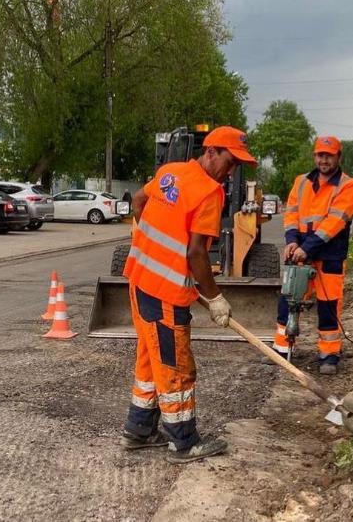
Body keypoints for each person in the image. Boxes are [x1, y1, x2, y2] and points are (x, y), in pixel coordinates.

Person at [121, 126, 257, 464]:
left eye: (238, 164)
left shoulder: (170, 172)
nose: (232, 171)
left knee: (150, 360)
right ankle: (183, 442)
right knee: (176, 366)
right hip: (165, 294)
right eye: (230, 161)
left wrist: (155, 247)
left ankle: (138, 431)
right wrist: (214, 298)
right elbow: (198, 253)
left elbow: (138, 201)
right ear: (210, 151)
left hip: (139, 281)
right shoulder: (210, 192)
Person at [272, 136, 353, 375]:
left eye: (329, 155)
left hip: (329, 255)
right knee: (288, 300)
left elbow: (334, 223)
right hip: (300, 252)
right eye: (320, 155)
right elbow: (291, 213)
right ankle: (281, 349)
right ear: (315, 156)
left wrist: (306, 248)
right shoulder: (301, 182)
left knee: (329, 306)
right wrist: (291, 242)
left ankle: (329, 354)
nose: (324, 160)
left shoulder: (347, 186)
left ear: (338, 157)